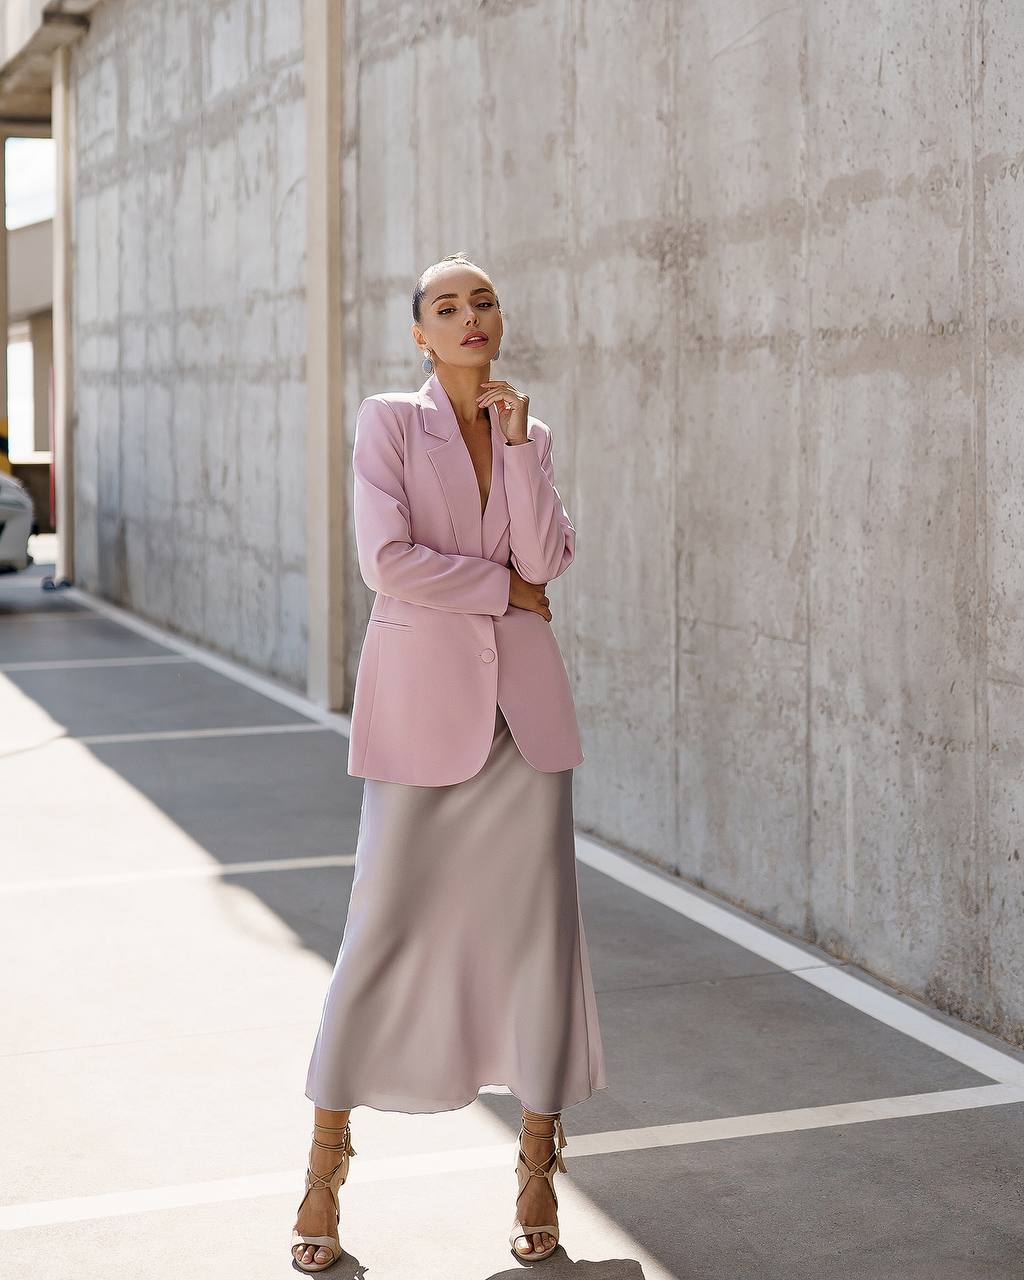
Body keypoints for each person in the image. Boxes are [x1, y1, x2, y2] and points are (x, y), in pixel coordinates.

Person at [291, 253, 607, 1271]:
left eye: (483, 300)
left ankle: (535, 1166)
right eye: (445, 305)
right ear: (418, 335)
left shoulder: (531, 428)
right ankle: (322, 1172)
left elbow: (548, 558)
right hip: (424, 718)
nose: (470, 315)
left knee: (538, 942)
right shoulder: (389, 421)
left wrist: (517, 451)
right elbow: (386, 560)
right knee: (379, 932)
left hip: (525, 724)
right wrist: (500, 592)